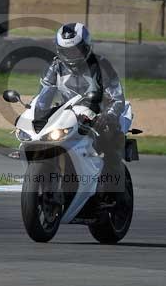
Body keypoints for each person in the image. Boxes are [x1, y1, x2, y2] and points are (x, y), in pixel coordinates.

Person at [31, 22, 127, 191]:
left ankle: (114, 191)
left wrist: (108, 116)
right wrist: (36, 115)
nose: (71, 55)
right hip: (68, 113)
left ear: (86, 47)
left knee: (109, 144)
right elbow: (42, 97)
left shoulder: (101, 65)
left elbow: (118, 98)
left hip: (99, 114)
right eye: (66, 51)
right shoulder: (55, 66)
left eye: (75, 50)